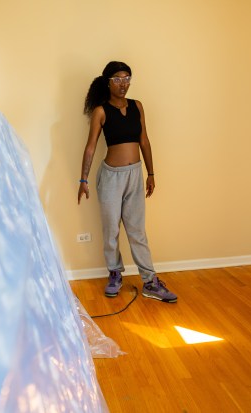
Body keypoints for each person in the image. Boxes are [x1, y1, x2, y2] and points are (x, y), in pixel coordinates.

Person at [77, 61, 177, 303]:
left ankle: (150, 281)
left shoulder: (137, 106)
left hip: (135, 174)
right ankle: (114, 274)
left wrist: (151, 173)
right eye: (118, 79)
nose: (124, 84)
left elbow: (144, 140)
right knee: (111, 230)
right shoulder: (101, 111)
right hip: (111, 177)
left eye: (127, 78)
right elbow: (91, 147)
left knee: (137, 231)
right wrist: (83, 179)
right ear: (108, 82)